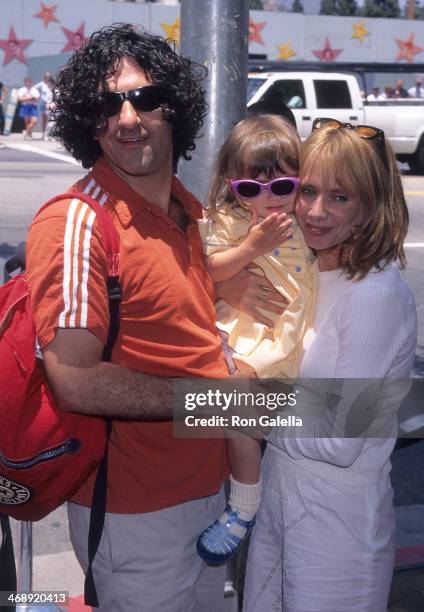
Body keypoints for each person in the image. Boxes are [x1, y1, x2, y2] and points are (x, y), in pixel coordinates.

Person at [25, 24, 229, 612]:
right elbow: (75, 377)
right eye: (104, 105)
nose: (127, 118)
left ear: (176, 108)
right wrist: (219, 402)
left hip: (210, 494)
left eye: (143, 97)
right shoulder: (79, 221)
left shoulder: (188, 210)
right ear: (87, 124)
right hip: (134, 515)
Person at [218, 118, 416, 611]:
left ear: (371, 207)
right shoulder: (305, 270)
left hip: (338, 523)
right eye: (306, 190)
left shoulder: (375, 295)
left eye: (340, 197)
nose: (314, 211)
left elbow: (340, 438)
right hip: (281, 498)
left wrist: (216, 406)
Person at [196, 114, 317, 564]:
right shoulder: (228, 222)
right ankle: (243, 509)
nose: (267, 200)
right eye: (251, 189)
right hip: (244, 343)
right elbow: (208, 271)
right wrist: (250, 247)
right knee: (238, 413)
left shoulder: (306, 218)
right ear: (233, 186)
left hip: (294, 348)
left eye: (281, 187)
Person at [35, 72, 55, 140]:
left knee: (49, 119)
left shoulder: (52, 84)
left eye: (48, 77)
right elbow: (34, 88)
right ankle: (43, 134)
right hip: (43, 102)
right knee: (44, 119)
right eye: (46, 77)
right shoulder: (42, 84)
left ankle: (48, 134)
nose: (47, 78)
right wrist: (38, 95)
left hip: (51, 103)